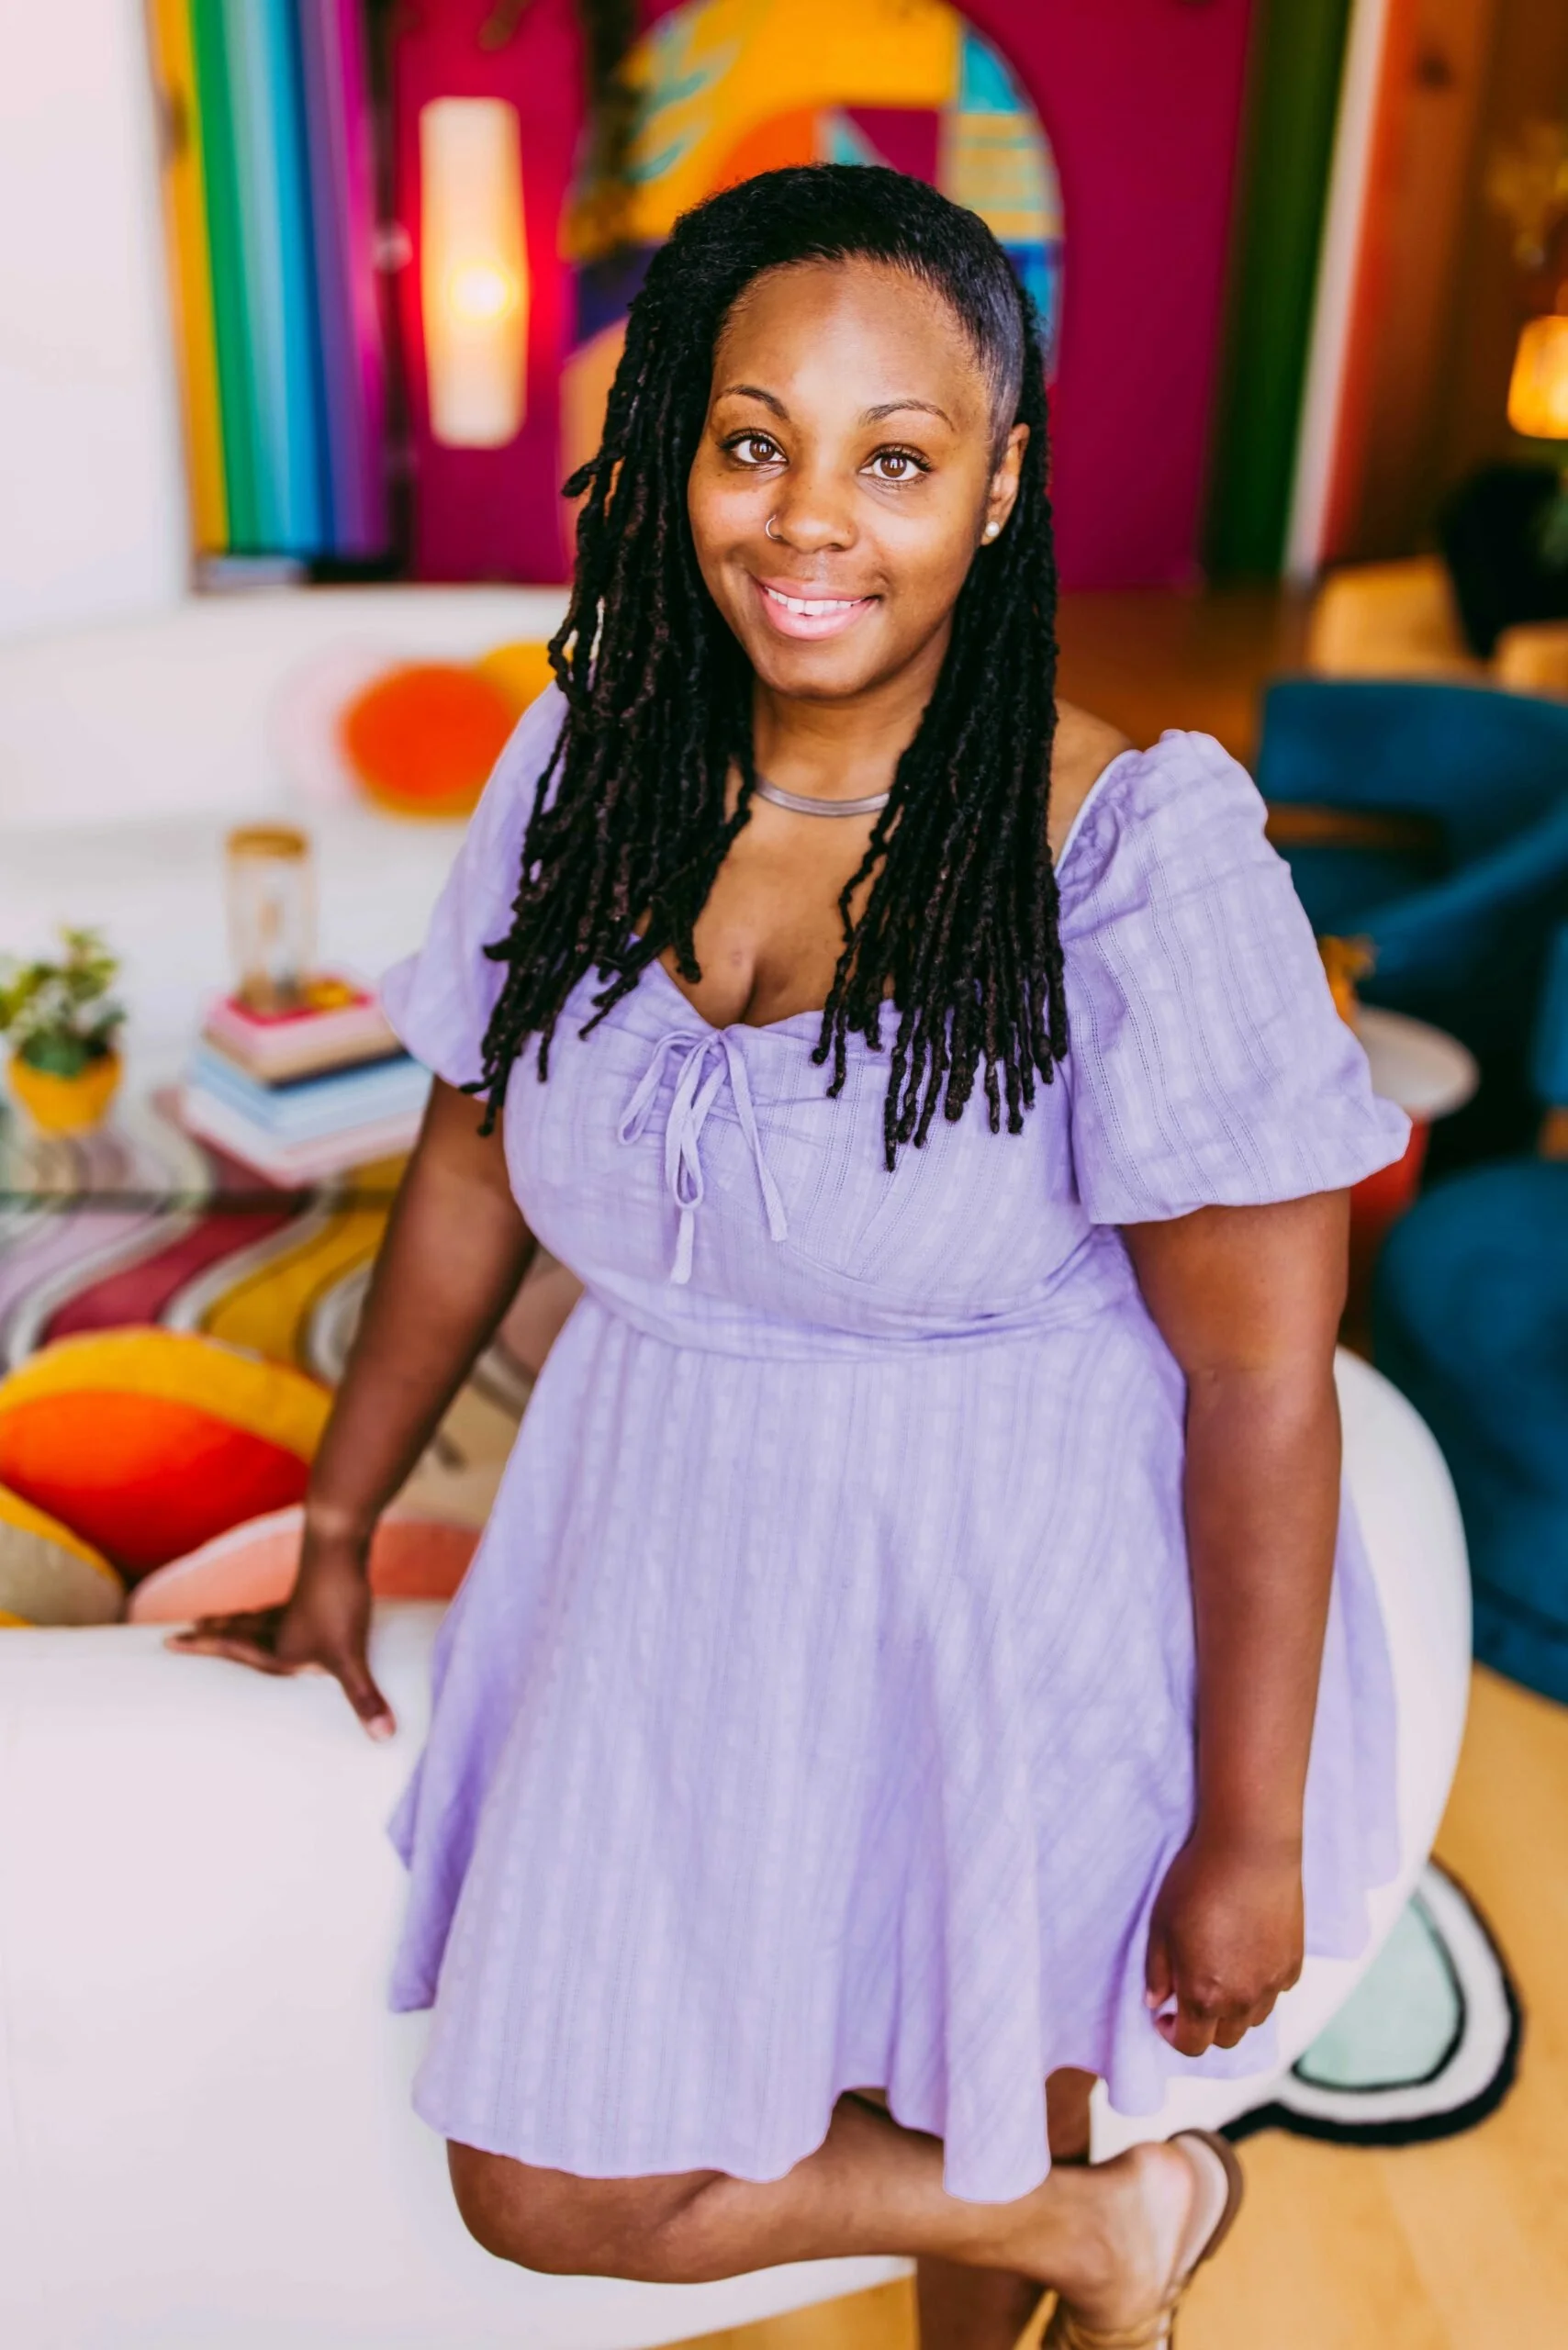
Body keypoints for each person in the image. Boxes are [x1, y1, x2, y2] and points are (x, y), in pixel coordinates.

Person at [173, 165, 1410, 2348]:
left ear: (997, 484)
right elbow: (466, 1154)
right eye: (751, 443)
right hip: (664, 1557)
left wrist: (1242, 1828)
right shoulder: (585, 764)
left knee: (974, 2089)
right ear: (673, 458)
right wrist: (341, 1514)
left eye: (893, 458)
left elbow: (1256, 1376)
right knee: (544, 2174)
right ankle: (1105, 2235)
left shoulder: (1127, 851)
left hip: (1011, 1593)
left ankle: (1046, 2251)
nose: (806, 519)